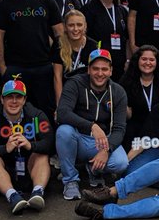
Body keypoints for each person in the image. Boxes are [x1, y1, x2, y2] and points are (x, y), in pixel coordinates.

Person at [54, 48, 130, 199]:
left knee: (121, 163)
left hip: (102, 142)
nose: (100, 73)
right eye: (95, 68)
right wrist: (91, 126)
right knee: (64, 131)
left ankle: (94, 169)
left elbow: (119, 129)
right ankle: (70, 180)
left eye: (104, 69)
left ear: (111, 71)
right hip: (79, 138)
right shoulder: (75, 83)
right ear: (88, 69)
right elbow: (62, 113)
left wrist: (106, 150)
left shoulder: (118, 91)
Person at [0, 0, 65, 115]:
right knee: (14, 110)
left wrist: (58, 63)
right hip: (15, 67)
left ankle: (44, 139)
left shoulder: (47, 1)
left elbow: (60, 34)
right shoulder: (6, 3)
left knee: (45, 110)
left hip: (44, 66)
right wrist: (2, 67)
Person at [0, 78, 53, 214]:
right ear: (1, 99)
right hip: (3, 173)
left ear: (24, 99)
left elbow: (51, 144)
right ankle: (12, 196)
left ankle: (37, 193)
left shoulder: (36, 116)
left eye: (18, 97)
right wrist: (5, 148)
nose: (14, 101)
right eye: (10, 97)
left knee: (41, 155)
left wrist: (30, 145)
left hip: (29, 170)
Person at [81, 0, 128, 76]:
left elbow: (127, 38)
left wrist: (128, 60)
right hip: (98, 62)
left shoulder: (121, 11)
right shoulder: (88, 10)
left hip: (119, 63)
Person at [120, 45, 159, 149]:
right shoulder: (126, 82)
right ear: (137, 61)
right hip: (135, 133)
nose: (148, 63)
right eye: (144, 59)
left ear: (157, 62)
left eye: (152, 59)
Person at [53, 10, 100, 92]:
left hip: (86, 91)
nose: (75, 29)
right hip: (66, 91)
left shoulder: (93, 46)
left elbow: (96, 76)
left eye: (79, 25)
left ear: (85, 26)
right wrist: (60, 103)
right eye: (71, 25)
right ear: (65, 27)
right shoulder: (59, 44)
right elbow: (57, 77)